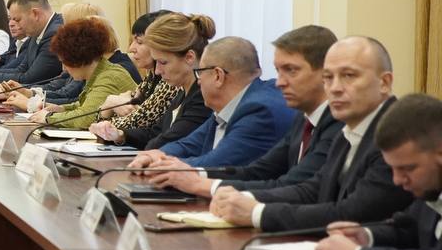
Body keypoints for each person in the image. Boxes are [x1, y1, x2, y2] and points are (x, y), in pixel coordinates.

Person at [210, 36, 410, 230]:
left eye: (349, 75)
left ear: (384, 82)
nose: (335, 88)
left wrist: (257, 213)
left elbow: (353, 214)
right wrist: (244, 198)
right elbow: (314, 189)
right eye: (328, 78)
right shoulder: (349, 129)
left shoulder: (398, 133)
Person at [143, 25, 341, 196]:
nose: (279, 82)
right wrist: (158, 157)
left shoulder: (262, 109)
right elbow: (257, 170)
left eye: (291, 70)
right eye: (278, 71)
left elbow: (294, 187)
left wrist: (196, 181)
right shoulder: (302, 118)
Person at [316, 94, 442, 250]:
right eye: (393, 169)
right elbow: (409, 230)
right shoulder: (430, 184)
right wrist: (366, 236)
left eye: (407, 168)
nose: (397, 180)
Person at [128, 36, 293, 170]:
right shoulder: (226, 109)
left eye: (200, 73)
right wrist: (154, 155)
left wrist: (160, 164)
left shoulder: (259, 110)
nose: (198, 81)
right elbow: (190, 144)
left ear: (218, 76)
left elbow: (217, 163)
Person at [26, 18, 138, 130]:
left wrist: (48, 117)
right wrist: (61, 109)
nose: (64, 68)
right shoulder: (100, 72)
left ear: (77, 59)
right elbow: (85, 105)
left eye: (64, 62)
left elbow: (86, 118)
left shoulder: (109, 77)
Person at [91, 10, 176, 130]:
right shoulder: (151, 77)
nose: (131, 48)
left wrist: (109, 105)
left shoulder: (171, 81)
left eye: (139, 42)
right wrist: (110, 104)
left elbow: (135, 122)